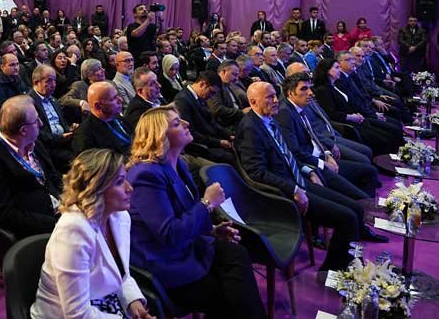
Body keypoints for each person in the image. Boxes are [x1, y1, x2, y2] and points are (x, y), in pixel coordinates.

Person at [126, 107, 265, 318]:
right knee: (228, 297)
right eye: (176, 123)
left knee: (237, 252)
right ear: (159, 136)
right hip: (166, 262)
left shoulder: (179, 164)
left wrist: (211, 230)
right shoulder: (146, 175)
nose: (186, 124)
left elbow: (185, 214)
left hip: (188, 247)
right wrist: (207, 203)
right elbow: (169, 233)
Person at [235, 82, 365, 271]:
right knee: (348, 218)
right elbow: (257, 173)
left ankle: (347, 264)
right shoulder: (250, 128)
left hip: (298, 180)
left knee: (356, 208)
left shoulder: (269, 119)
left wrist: (309, 171)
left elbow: (288, 156)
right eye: (269, 97)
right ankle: (333, 271)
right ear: (253, 102)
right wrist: (294, 189)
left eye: (275, 95)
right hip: (283, 192)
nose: (275, 100)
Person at [30, 148, 151, 318]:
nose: (129, 188)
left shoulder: (119, 217)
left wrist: (133, 302)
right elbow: (77, 314)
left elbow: (121, 273)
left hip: (102, 302)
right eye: (119, 182)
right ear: (95, 189)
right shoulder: (73, 231)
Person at [275, 73, 379, 198]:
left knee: (369, 171)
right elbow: (295, 152)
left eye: (310, 88)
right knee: (365, 181)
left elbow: (313, 135)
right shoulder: (285, 113)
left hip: (321, 156)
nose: (311, 93)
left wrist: (327, 153)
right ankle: (366, 208)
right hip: (313, 165)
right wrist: (322, 163)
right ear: (291, 93)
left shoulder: (300, 106)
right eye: (304, 89)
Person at [0, 95, 63, 239]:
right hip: (35, 230)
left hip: (58, 209)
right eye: (36, 120)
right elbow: (4, 214)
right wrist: (54, 223)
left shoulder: (34, 142)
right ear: (23, 130)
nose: (41, 124)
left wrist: (74, 198)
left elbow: (52, 176)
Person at [172, 71, 236, 165]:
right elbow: (191, 133)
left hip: (208, 139)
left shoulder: (199, 97)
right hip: (197, 147)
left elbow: (211, 122)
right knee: (230, 157)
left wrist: (228, 135)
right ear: (202, 84)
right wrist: (218, 142)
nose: (212, 96)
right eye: (211, 92)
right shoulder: (182, 101)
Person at [28, 65, 75, 173]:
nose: (53, 85)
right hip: (49, 148)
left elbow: (61, 123)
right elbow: (37, 134)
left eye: (54, 80)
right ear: (36, 82)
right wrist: (60, 137)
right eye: (48, 81)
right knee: (78, 160)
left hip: (64, 141)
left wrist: (69, 129)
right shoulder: (30, 103)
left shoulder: (53, 100)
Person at [72, 81, 133, 157]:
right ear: (98, 106)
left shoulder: (116, 117)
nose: (120, 100)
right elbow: (95, 166)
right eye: (113, 99)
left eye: (117, 96)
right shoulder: (84, 134)